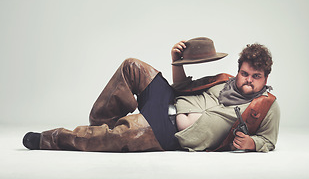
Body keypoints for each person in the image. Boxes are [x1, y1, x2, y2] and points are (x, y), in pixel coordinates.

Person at [23, 37, 280, 152]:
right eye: (245, 74)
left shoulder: (265, 106)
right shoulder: (224, 82)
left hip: (168, 132)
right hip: (167, 100)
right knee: (131, 66)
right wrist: (174, 62)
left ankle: (49, 139)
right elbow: (181, 88)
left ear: (265, 78)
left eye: (256, 77)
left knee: (114, 137)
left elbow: (269, 141)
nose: (248, 80)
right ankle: (100, 125)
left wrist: (251, 144)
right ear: (238, 71)